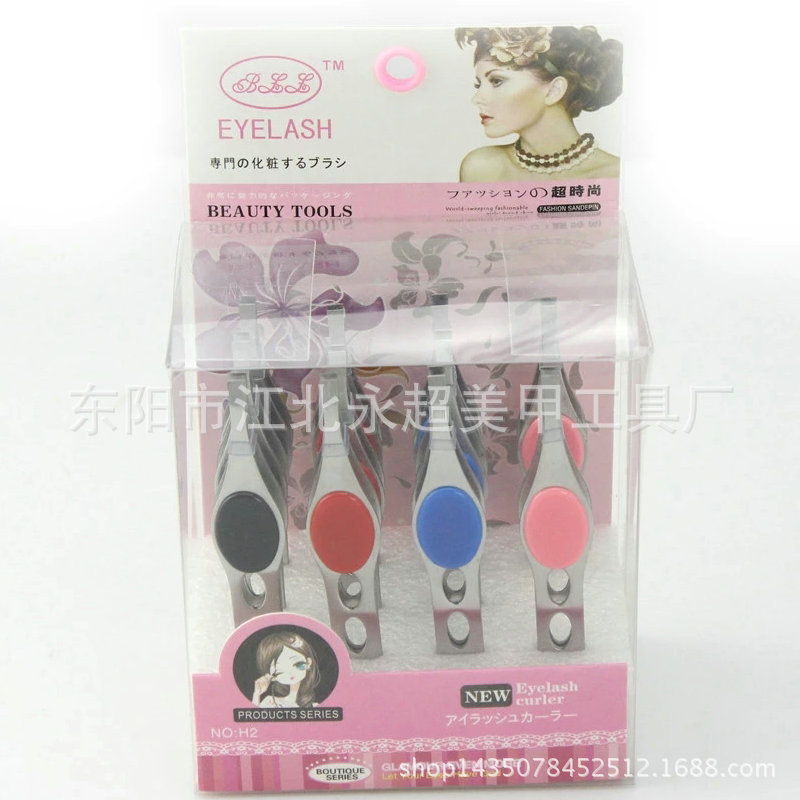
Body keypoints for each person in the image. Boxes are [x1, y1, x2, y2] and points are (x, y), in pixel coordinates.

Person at [456, 27, 623, 181]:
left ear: (554, 90)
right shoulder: (482, 169)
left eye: (497, 81)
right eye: (478, 85)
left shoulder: (615, 174)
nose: (476, 99)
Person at [251, 631, 320, 708]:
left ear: (308, 663)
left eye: (296, 664)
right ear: (271, 675)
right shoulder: (270, 702)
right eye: (280, 669)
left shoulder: (315, 706)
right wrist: (256, 695)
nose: (290, 672)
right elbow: (252, 715)